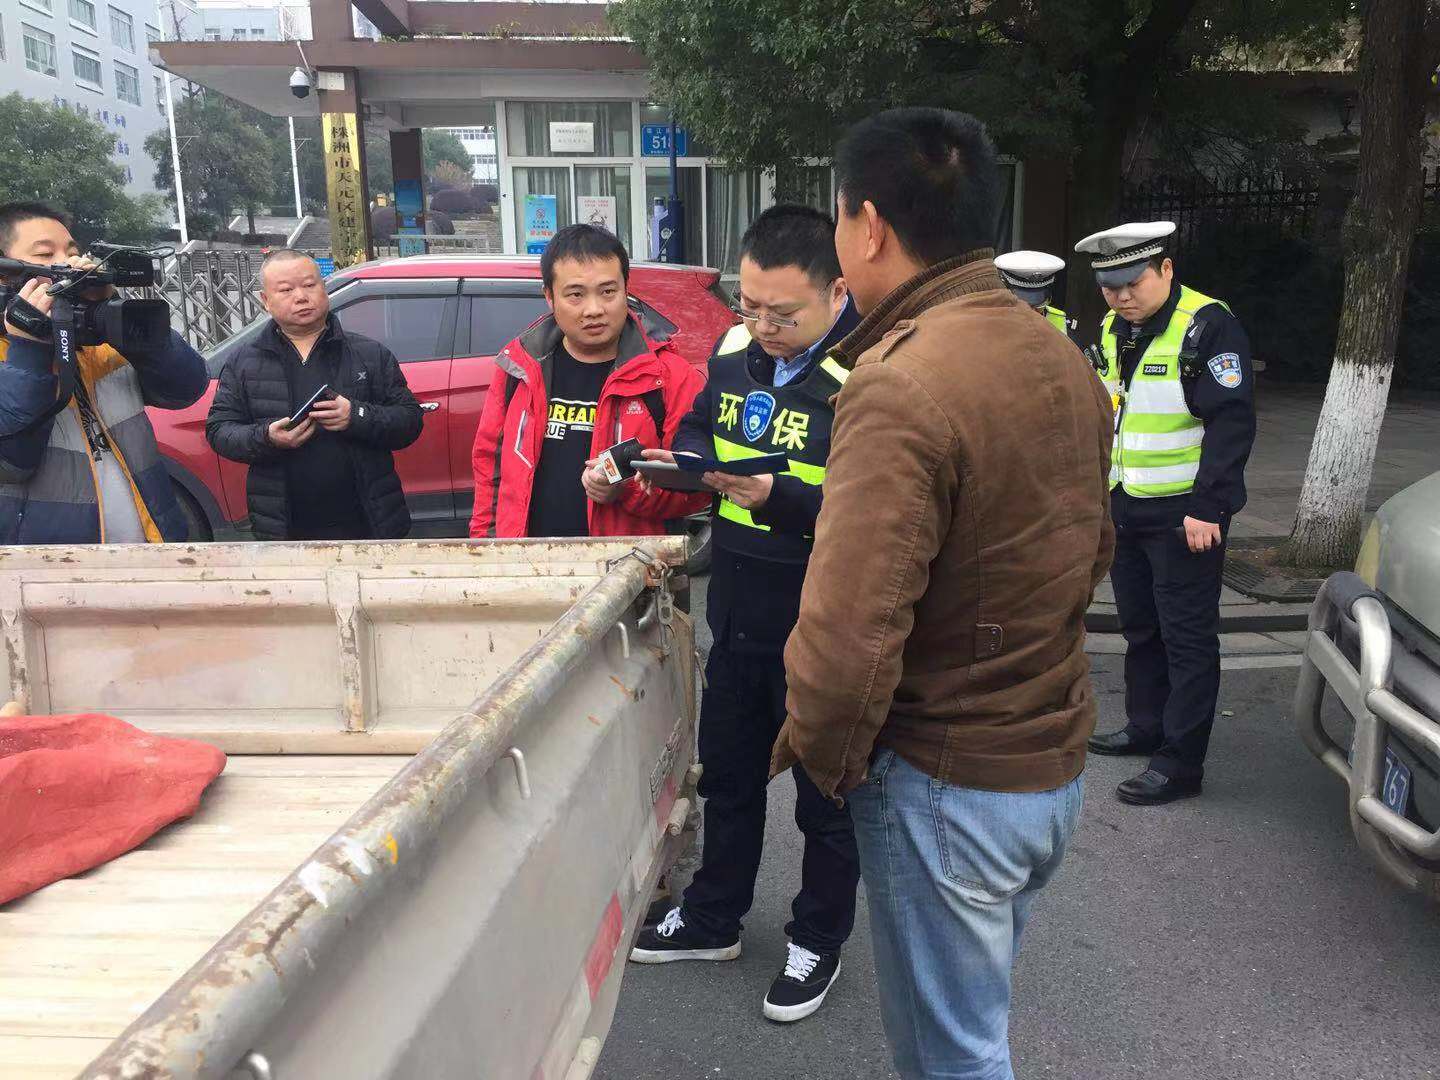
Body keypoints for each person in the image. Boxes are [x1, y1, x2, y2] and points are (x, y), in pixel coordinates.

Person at [770, 109, 1114, 1078]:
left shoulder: (898, 381)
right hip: (1047, 766)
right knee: (971, 1031)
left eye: (840, 218)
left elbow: (849, 634)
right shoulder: (1059, 354)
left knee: (951, 1058)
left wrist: (825, 759)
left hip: (946, 782)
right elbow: (1091, 552)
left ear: (870, 226)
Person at [629, 206, 862, 1023]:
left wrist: (779, 495)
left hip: (825, 620)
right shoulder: (733, 350)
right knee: (728, 774)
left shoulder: (869, 375)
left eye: (783, 314)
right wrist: (688, 463)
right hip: (737, 607)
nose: (763, 327)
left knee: (827, 798)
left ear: (838, 292)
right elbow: (700, 425)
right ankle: (713, 916)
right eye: (750, 305)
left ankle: (817, 939)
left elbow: (884, 510)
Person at [1075, 221, 1256, 806]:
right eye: (1110, 287)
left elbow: (1231, 421)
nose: (1122, 297)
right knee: (1141, 627)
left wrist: (1210, 507)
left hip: (1185, 515)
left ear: (1166, 269)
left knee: (1187, 639)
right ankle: (1146, 726)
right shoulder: (1113, 329)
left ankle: (1180, 763)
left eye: (1134, 282)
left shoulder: (1206, 325)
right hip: (1126, 505)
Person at [467, 224, 707, 539]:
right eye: (576, 295)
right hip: (530, 561)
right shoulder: (519, 368)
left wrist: (624, 490)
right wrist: (485, 550)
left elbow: (698, 488)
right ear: (549, 296)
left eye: (608, 292)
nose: (594, 310)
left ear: (626, 289)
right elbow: (491, 469)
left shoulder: (669, 377)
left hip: (628, 564)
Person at [0, 202, 208, 544]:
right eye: (45, 254)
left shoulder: (99, 340)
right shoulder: (12, 356)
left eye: (72, 252)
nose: (70, 264)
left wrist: (115, 315)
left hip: (151, 546)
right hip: (54, 566)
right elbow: (11, 464)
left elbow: (187, 389)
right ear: (6, 274)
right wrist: (31, 350)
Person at [206, 249, 422, 540]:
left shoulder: (369, 354)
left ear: (324, 288)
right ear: (265, 300)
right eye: (286, 290)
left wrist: (357, 416)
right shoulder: (244, 362)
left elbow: (410, 421)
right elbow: (219, 430)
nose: (301, 297)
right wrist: (266, 437)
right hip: (282, 527)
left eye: (309, 285)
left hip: (368, 522)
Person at [994, 249, 1075, 337]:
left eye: (1038, 302)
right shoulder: (992, 320)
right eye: (1023, 300)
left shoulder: (1059, 319)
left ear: (1049, 296)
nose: (1031, 310)